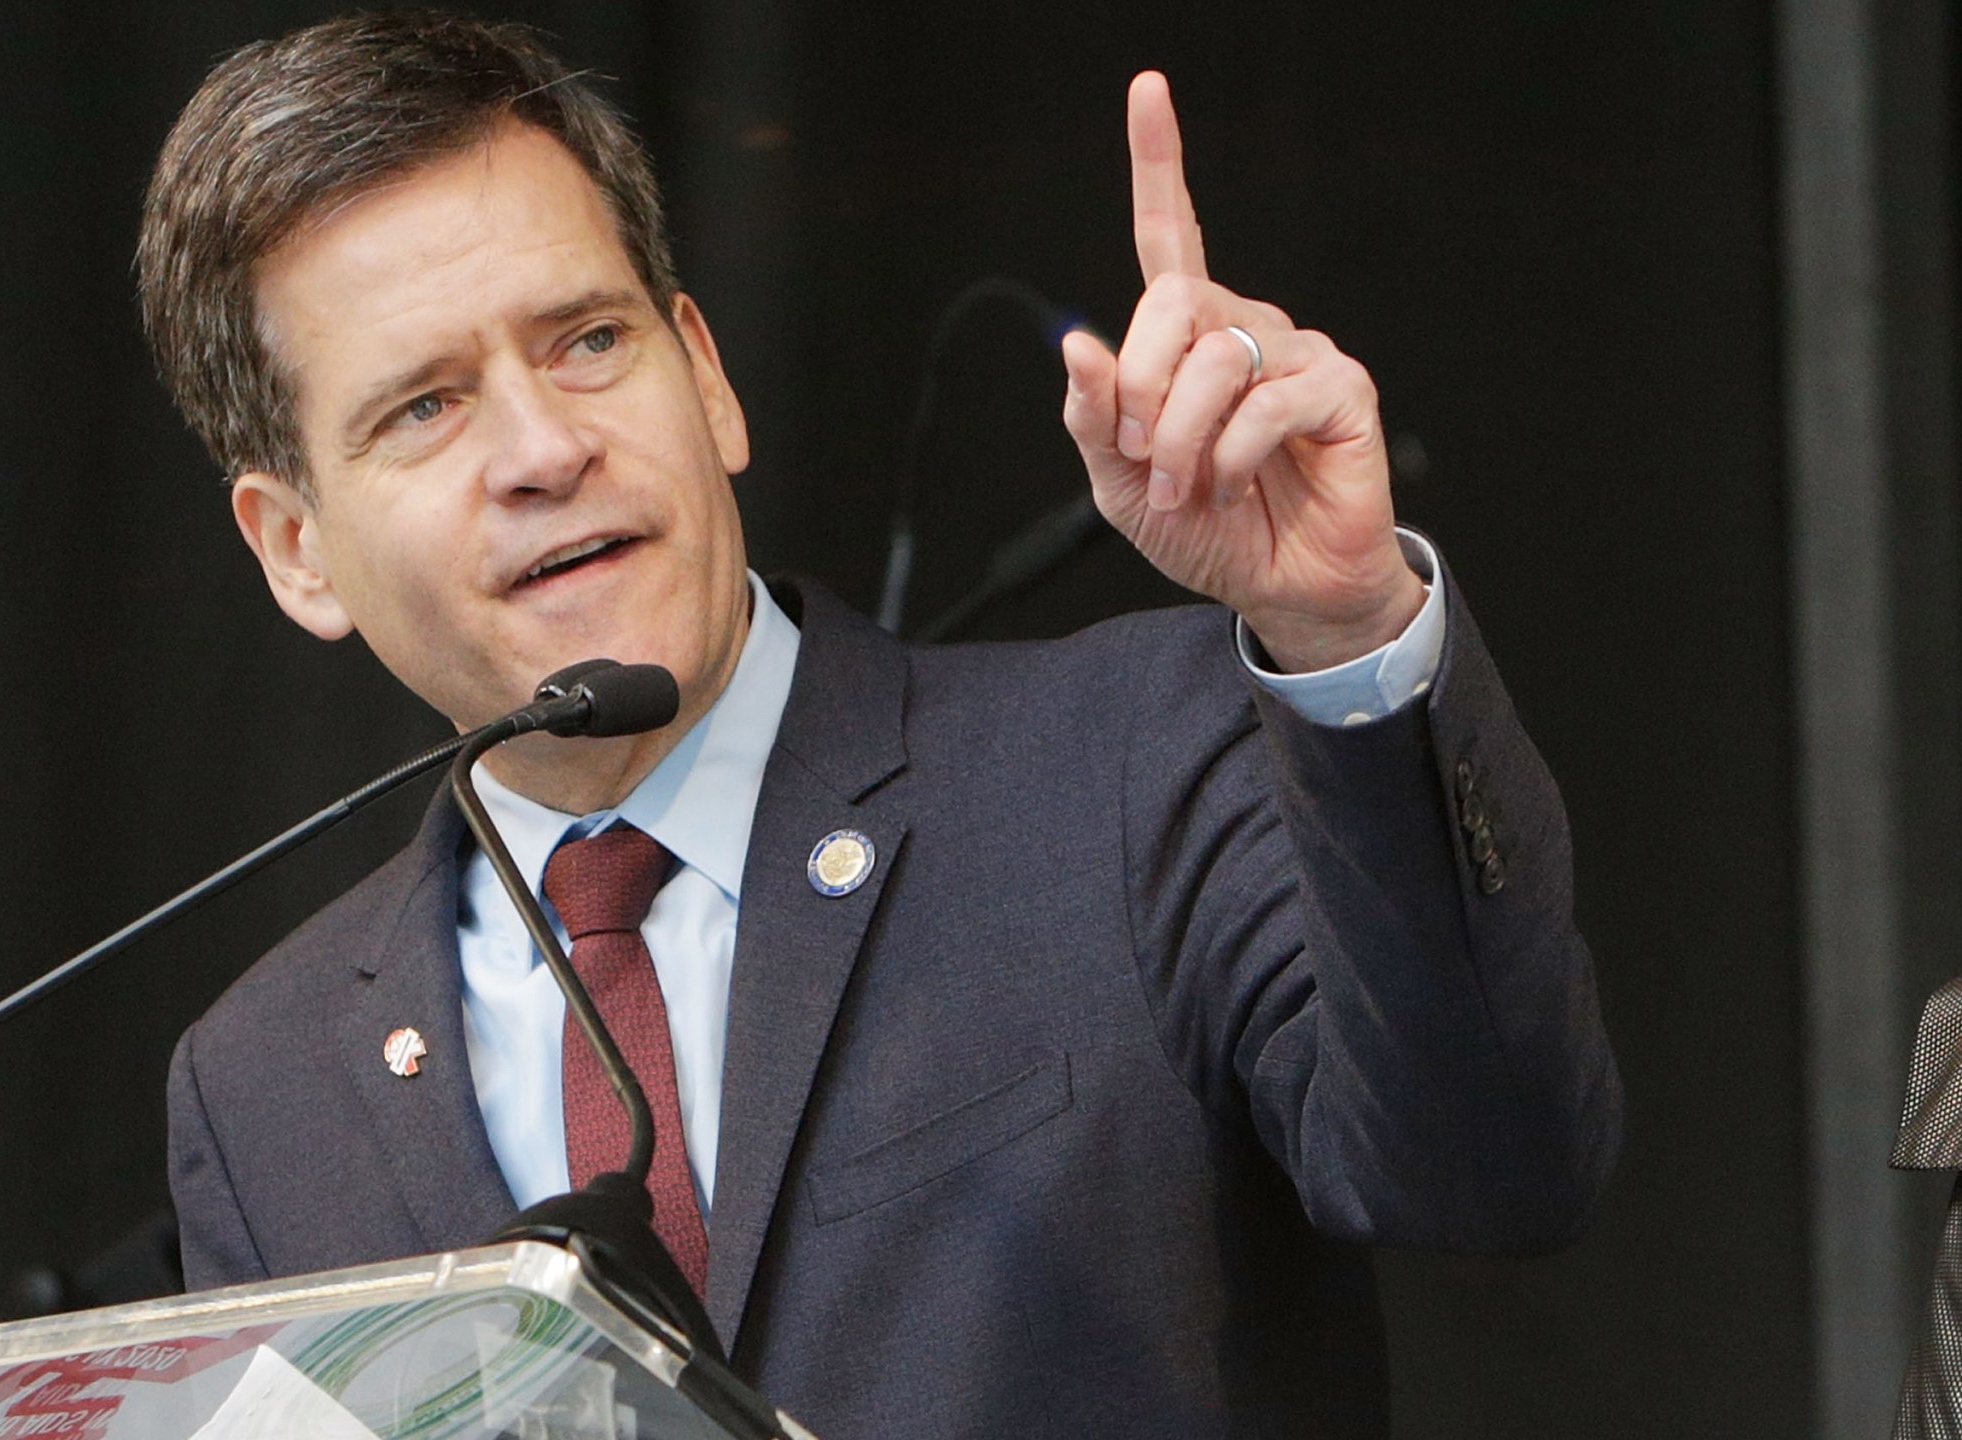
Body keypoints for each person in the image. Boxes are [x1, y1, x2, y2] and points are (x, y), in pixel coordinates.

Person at [137, 12, 1622, 1437]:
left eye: (588, 340)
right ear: (294, 549)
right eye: (425, 409)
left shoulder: (1126, 765)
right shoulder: (268, 1084)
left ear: (706, 376)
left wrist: (1346, 632)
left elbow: (1491, 1169)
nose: (545, 448)